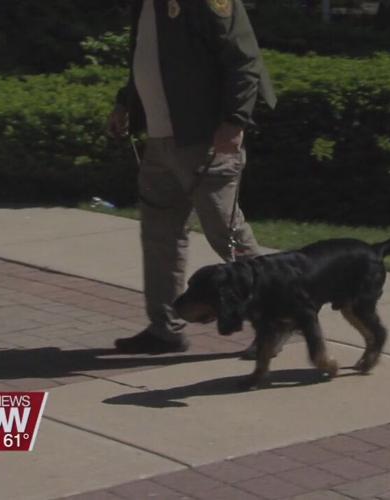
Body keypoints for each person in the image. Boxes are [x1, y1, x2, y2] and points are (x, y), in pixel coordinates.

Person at [107, 0, 276, 355]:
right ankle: (164, 329)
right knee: (159, 238)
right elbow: (148, 59)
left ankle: (278, 318)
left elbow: (244, 59)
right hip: (158, 140)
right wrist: (126, 104)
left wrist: (235, 120)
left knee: (226, 233)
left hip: (204, 138)